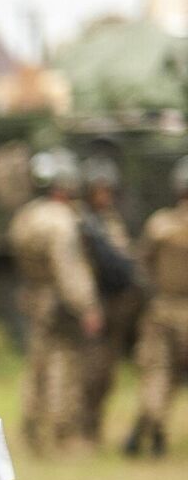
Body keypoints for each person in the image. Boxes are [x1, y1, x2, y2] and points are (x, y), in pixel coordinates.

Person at [9, 147, 102, 455]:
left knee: (36, 363)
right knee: (65, 364)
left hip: (32, 296)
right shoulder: (62, 221)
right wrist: (86, 306)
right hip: (59, 301)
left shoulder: (26, 216)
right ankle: (62, 435)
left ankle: (32, 428)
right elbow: (69, 269)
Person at [125, 156, 188, 456]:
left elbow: (140, 264)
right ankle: (153, 432)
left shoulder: (160, 224)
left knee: (158, 371)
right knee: (169, 374)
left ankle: (151, 427)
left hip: (162, 309)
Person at [77, 155, 141, 443]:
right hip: (93, 305)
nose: (104, 196)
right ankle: (81, 430)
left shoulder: (111, 221)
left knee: (105, 375)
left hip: (116, 305)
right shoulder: (80, 222)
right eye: (98, 190)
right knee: (88, 374)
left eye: (108, 190)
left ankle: (94, 429)